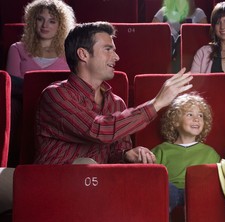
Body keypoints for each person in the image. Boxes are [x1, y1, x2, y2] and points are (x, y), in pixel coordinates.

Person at [34, 21, 193, 165]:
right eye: (108, 49)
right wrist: (157, 103)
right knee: (84, 165)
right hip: (53, 186)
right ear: (83, 54)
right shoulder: (56, 95)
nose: (116, 57)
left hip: (97, 186)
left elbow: (113, 155)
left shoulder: (116, 103)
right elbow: (99, 130)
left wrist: (126, 155)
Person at [6, 0, 76, 167]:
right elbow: (10, 87)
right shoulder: (17, 49)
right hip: (24, 106)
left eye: (52, 21)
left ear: (60, 25)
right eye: (40, 19)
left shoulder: (70, 52)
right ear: (32, 21)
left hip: (58, 108)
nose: (45, 25)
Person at [152, 93, 220, 211]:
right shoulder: (161, 150)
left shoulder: (210, 153)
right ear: (176, 121)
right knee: (167, 190)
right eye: (190, 114)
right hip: (170, 191)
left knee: (196, 191)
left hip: (195, 191)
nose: (196, 119)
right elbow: (151, 177)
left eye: (200, 115)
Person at [152, 0, 207, 70]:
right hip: (166, 53)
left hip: (189, 53)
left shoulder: (198, 12)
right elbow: (153, 34)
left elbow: (203, 37)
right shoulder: (163, 12)